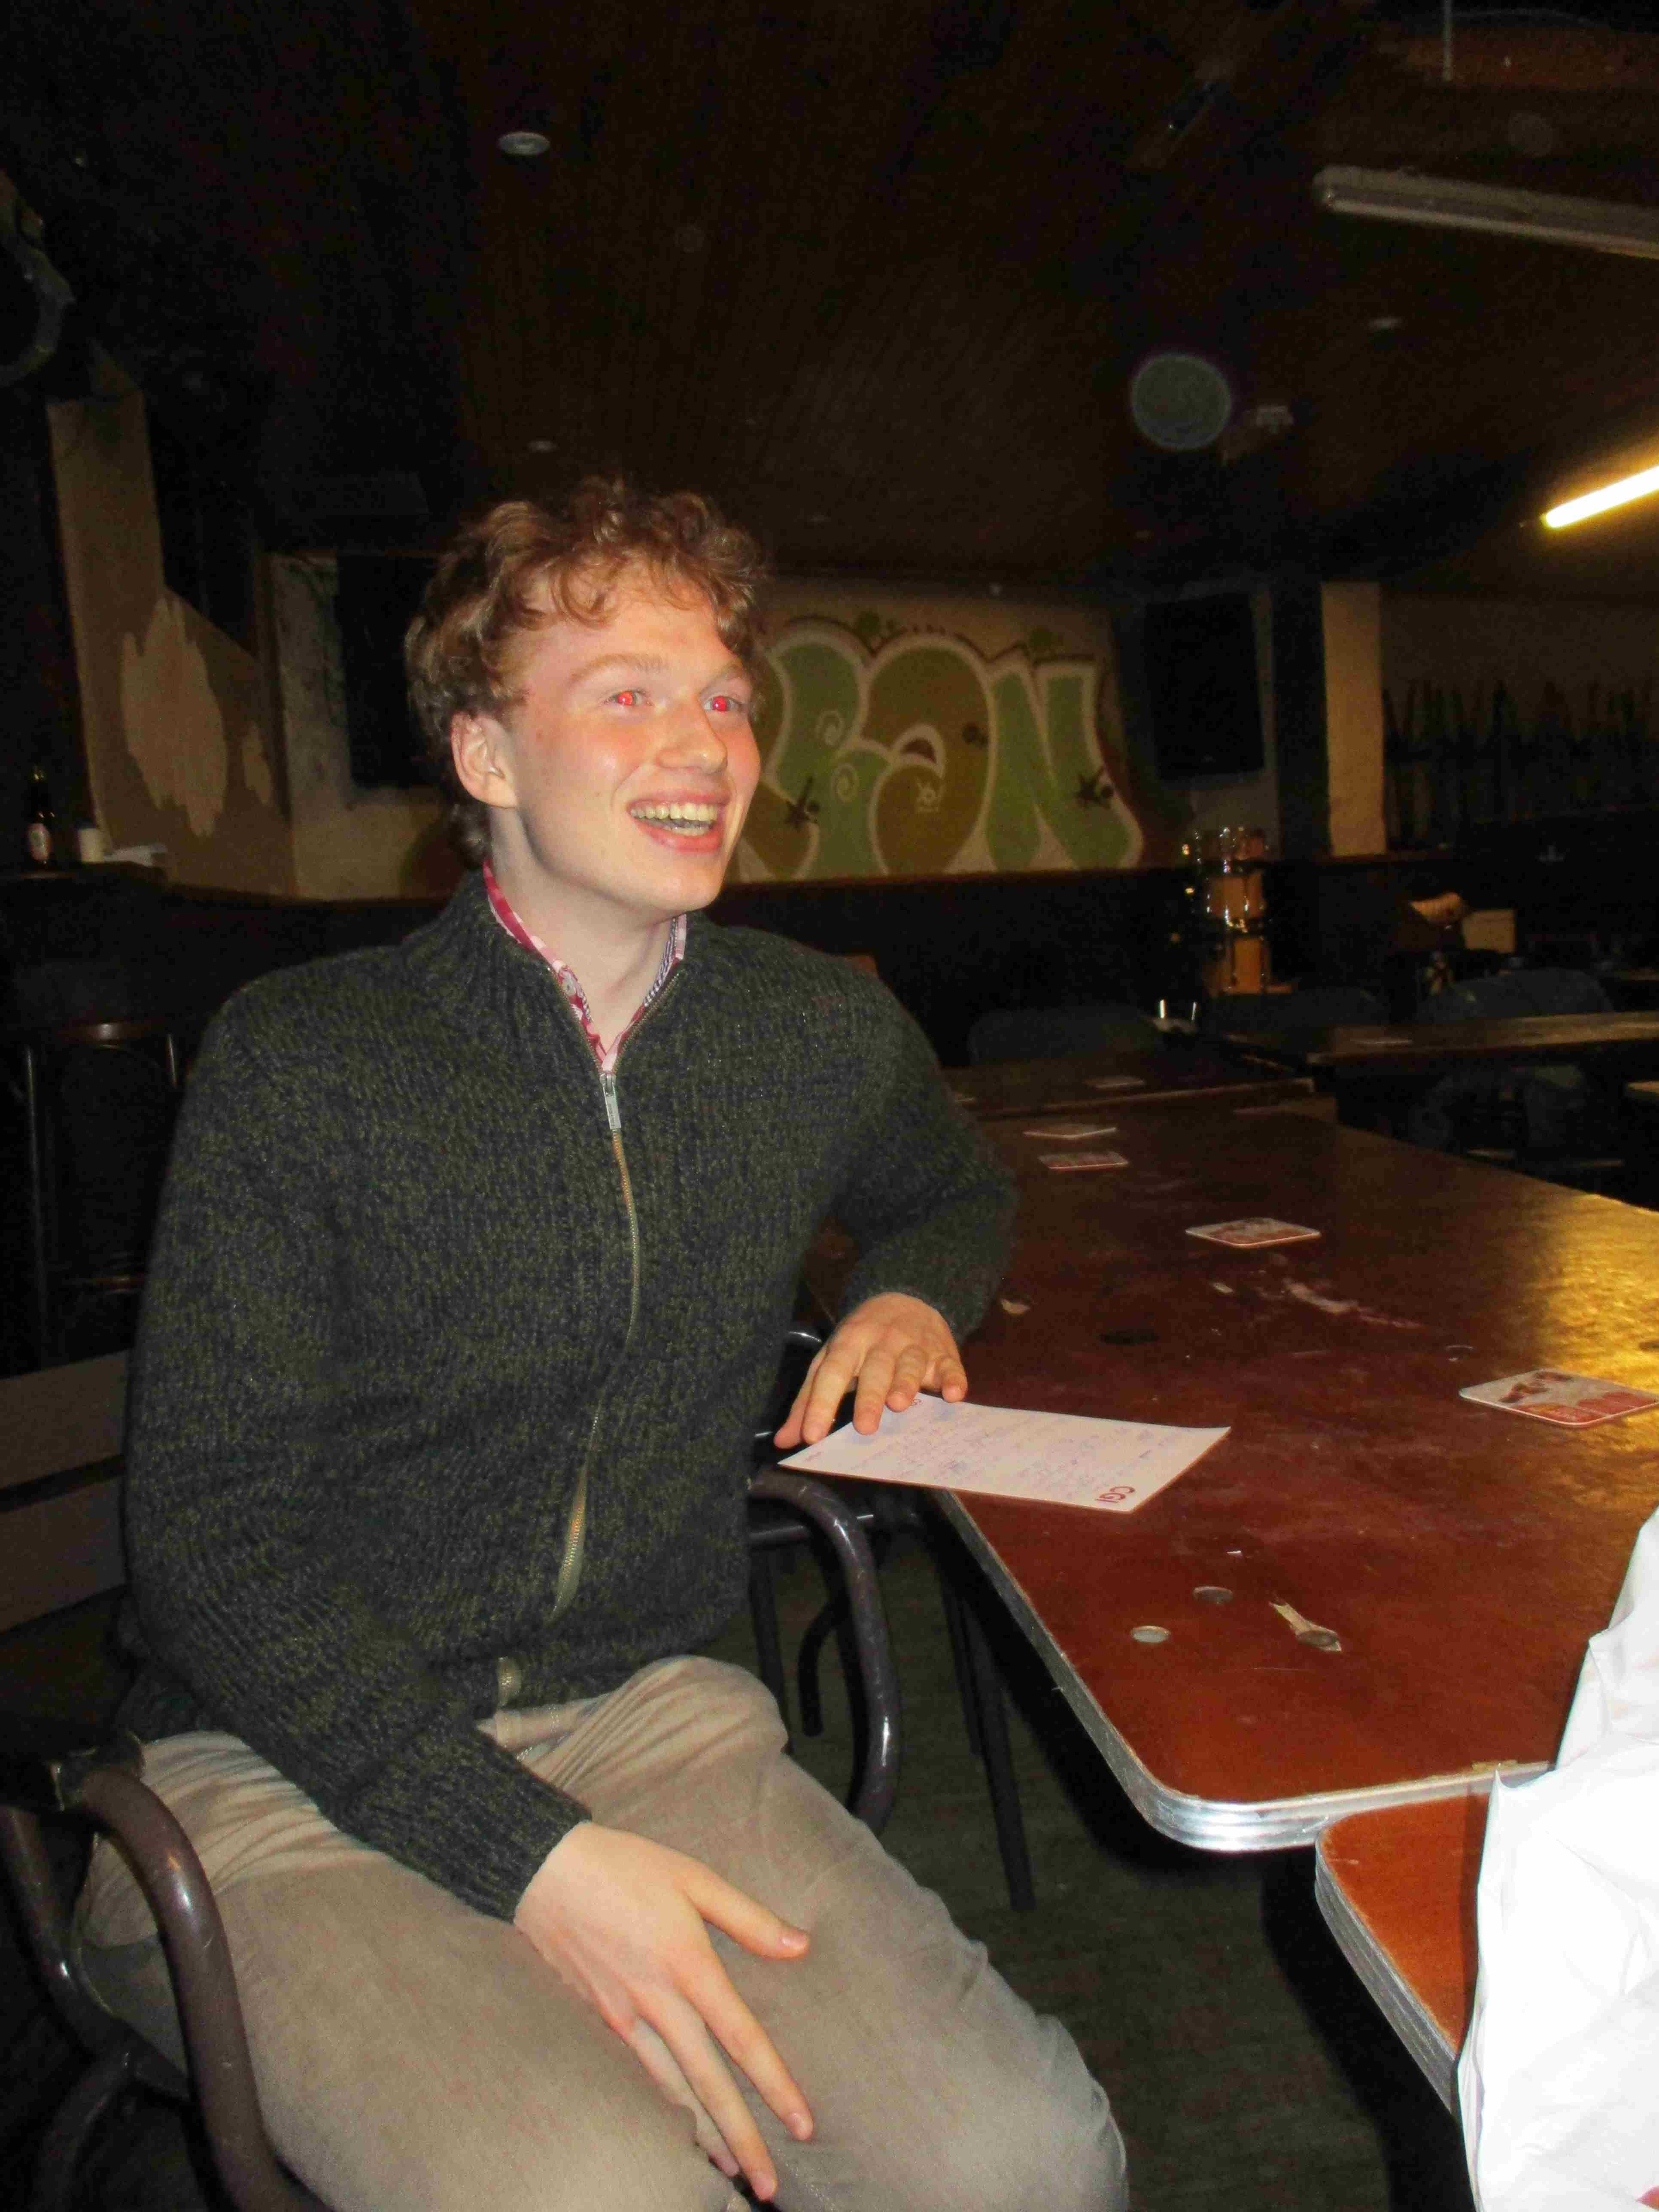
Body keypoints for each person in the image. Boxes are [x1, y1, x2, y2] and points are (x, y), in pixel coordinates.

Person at [77, 480, 1128, 2212]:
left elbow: (955, 1189)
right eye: (626, 693)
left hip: (647, 1721)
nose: (704, 743)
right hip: (274, 1765)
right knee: (604, 2194)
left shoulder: (813, 1027)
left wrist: (913, 1293)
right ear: (486, 754)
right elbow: (209, 1549)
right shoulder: (306, 1059)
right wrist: (532, 1860)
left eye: (724, 695)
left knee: (1028, 2165)